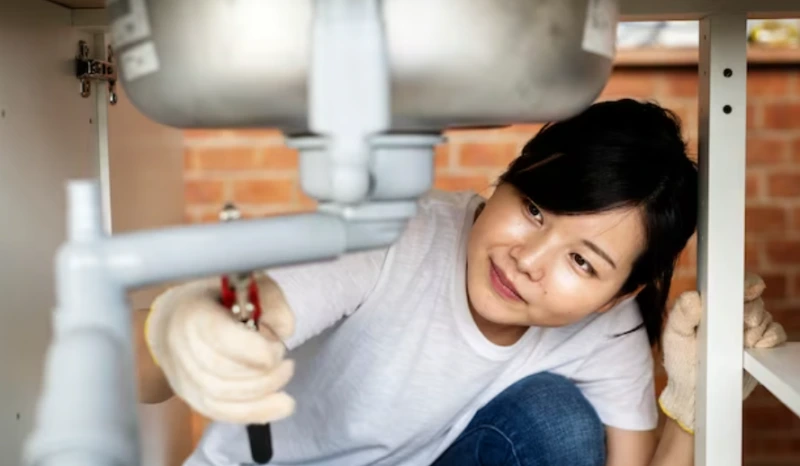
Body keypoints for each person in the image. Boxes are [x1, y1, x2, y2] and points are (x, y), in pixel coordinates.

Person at [136, 98, 787, 466]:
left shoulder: (606, 328)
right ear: (503, 177)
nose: (529, 259)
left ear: (619, 295)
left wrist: (692, 407)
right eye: (533, 208)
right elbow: (254, 313)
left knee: (560, 425)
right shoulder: (397, 235)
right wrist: (183, 326)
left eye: (582, 261)